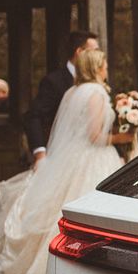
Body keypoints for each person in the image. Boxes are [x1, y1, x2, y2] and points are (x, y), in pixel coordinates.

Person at [0, 49, 132, 274]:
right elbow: (95, 136)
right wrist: (125, 135)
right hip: (93, 161)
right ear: (97, 67)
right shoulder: (95, 92)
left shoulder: (73, 92)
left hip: (71, 161)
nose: (108, 68)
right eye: (105, 63)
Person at [24, 30, 99, 170]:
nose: (99, 56)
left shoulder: (99, 81)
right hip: (64, 156)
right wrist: (40, 154)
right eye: (94, 51)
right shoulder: (54, 82)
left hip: (94, 156)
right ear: (79, 52)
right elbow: (33, 116)